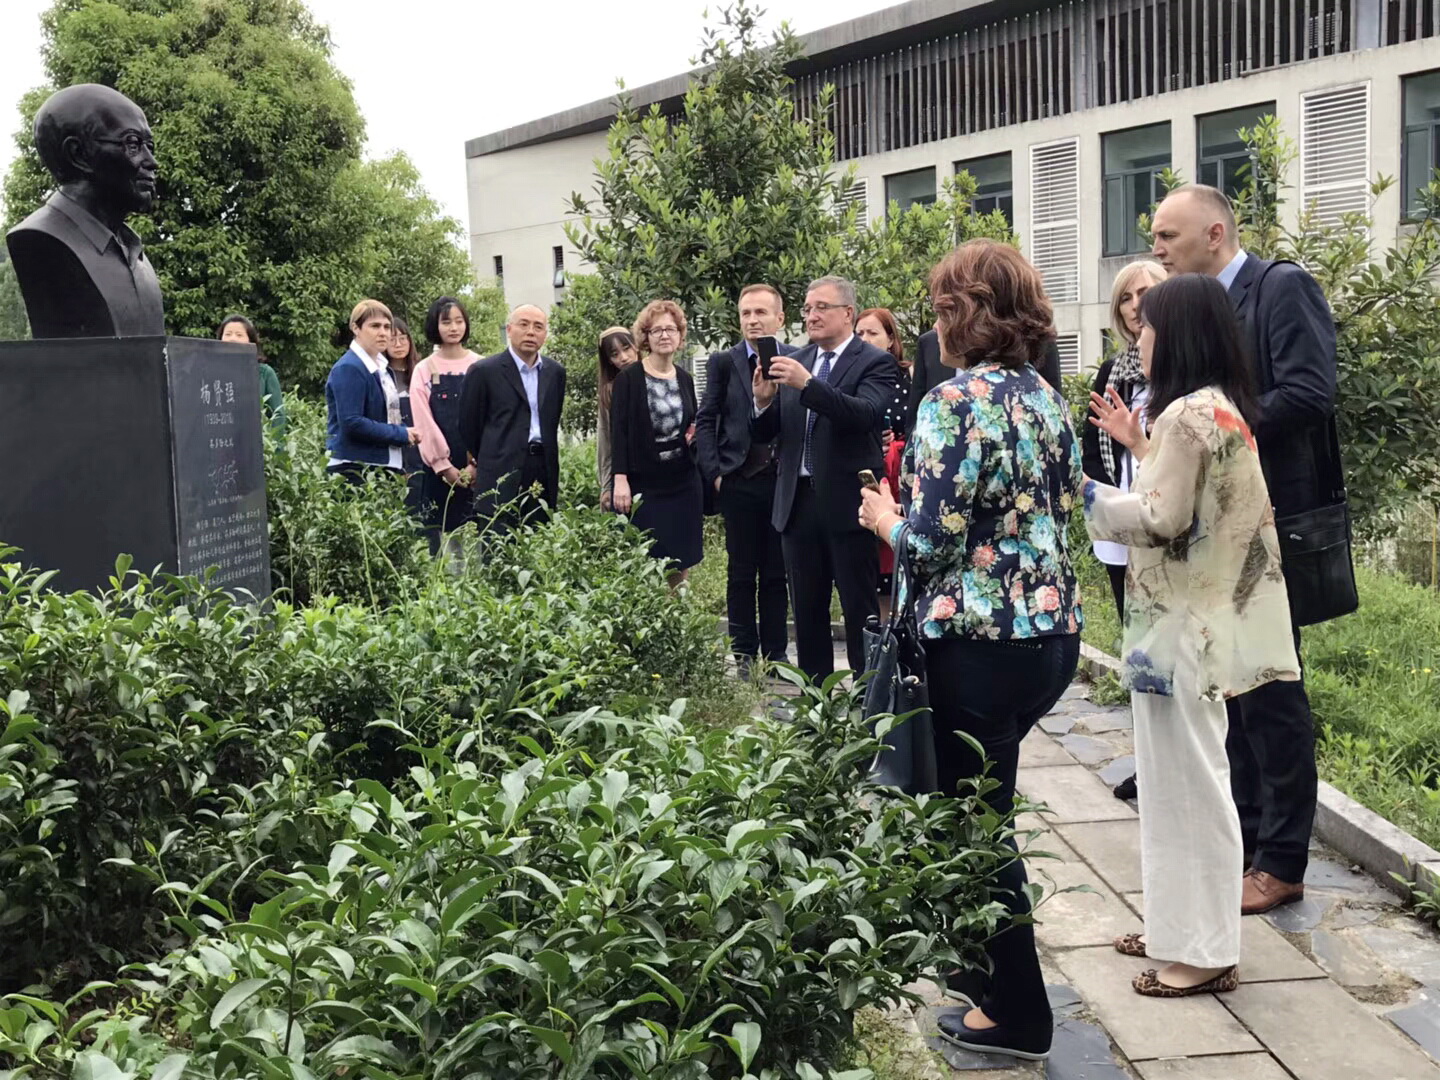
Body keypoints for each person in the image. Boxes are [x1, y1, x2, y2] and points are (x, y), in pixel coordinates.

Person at [859, 239, 1082, 1061]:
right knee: (980, 808)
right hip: (1049, 637)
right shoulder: (1047, 397)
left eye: (941, 308)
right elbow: (1063, 504)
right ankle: (982, 978)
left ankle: (1019, 1014)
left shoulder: (951, 402)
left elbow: (931, 543)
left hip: (976, 645)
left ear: (966, 313)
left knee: (978, 827)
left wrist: (885, 518)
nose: (934, 324)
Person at [1084, 272, 1301, 998]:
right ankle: (1178, 928)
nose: (1139, 338)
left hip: (1179, 629)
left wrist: (1078, 494)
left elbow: (1161, 518)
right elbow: (1189, 501)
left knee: (1190, 790)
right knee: (1178, 784)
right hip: (1197, 624)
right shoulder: (1215, 407)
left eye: (1147, 327)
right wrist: (1140, 447)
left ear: (1175, 335)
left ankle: (1206, 951)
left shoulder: (1185, 413)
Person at [1151, 183, 1337, 914]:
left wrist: (1216, 429)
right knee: (1231, 687)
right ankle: (1249, 843)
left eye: (1167, 236)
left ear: (1215, 233)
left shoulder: (1280, 288)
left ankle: (1283, 861)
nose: (1157, 249)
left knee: (1273, 692)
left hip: (1271, 526)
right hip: (1216, 530)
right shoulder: (1198, 307)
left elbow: (1310, 393)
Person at [753, 275, 897, 679]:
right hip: (797, 503)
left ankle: (868, 697)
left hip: (850, 506)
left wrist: (808, 384)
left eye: (821, 307)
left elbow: (864, 414)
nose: (811, 316)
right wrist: (762, 403)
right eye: (807, 308)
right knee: (807, 612)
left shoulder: (874, 361)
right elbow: (769, 433)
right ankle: (816, 699)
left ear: (848, 313)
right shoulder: (797, 359)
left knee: (859, 610)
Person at [1081, 260, 1166, 802]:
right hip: (1123, 530)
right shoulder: (1114, 373)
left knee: (1174, 652)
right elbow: (1092, 447)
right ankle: (1149, 765)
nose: (1137, 306)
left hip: (1170, 530)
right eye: (1127, 298)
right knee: (1138, 650)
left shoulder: (1185, 371)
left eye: (1147, 294)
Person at [694, 285, 794, 672]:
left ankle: (776, 652)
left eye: (760, 313)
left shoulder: (795, 360)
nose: (752, 320)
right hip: (738, 477)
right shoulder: (723, 362)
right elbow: (706, 418)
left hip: (781, 479)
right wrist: (715, 473)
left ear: (779, 318)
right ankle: (744, 653)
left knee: (776, 572)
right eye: (746, 313)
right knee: (741, 572)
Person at [612, 300, 704, 586]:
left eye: (671, 329)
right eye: (657, 330)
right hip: (645, 482)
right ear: (646, 336)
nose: (665, 335)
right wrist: (619, 479)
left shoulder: (685, 378)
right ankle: (653, 613)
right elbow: (619, 431)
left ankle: (677, 610)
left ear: (680, 335)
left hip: (683, 482)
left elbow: (692, 422)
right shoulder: (629, 379)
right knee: (646, 560)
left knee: (681, 558)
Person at [458, 304, 565, 532]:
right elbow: (468, 425)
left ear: (545, 334)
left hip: (541, 468)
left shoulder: (555, 372)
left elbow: (552, 419)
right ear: (509, 329)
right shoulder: (484, 371)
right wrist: (491, 454)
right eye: (523, 324)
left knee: (539, 541)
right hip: (499, 469)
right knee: (497, 543)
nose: (531, 332)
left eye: (538, 327)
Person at [410, 297, 481, 555]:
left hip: (478, 470)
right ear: (435, 325)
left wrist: (476, 464)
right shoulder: (424, 369)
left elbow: (490, 417)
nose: (454, 328)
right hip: (439, 472)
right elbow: (423, 421)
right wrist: (443, 466)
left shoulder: (481, 365)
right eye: (446, 322)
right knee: (446, 544)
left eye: (459, 321)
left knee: (481, 537)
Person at [324, 299, 420, 483]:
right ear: (355, 328)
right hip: (354, 466)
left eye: (387, 327)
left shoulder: (381, 368)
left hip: (380, 465)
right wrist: (401, 434)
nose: (383, 333)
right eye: (375, 326)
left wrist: (405, 432)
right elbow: (352, 422)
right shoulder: (350, 367)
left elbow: (384, 418)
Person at [906, 327, 1062, 437]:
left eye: (945, 312)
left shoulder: (1036, 343)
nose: (935, 325)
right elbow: (914, 420)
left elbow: (1054, 419)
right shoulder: (929, 343)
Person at [855, 307, 909, 618]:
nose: (865, 339)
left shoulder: (908, 375)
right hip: (866, 475)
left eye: (872, 333)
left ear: (890, 339)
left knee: (896, 560)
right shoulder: (850, 375)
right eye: (859, 333)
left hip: (899, 474)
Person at [217, 314, 285, 438]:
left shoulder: (264, 373)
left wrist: (276, 446)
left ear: (250, 340)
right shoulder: (210, 372)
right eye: (227, 334)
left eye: (239, 335)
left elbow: (278, 415)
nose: (232, 339)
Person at [596, 326, 639, 511]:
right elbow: (605, 440)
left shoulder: (656, 376)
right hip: (625, 477)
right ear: (609, 360)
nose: (623, 357)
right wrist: (606, 485)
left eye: (626, 348)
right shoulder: (609, 391)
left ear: (636, 346)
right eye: (615, 354)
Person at [386, 316, 424, 480]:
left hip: (422, 446)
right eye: (392, 339)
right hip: (393, 446)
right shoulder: (381, 375)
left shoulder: (422, 371)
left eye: (402, 338)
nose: (398, 344)